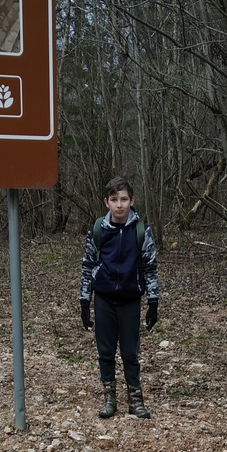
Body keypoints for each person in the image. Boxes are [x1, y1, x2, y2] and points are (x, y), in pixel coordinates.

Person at [79, 176, 159, 419]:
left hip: (130, 300)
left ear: (132, 200)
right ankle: (109, 398)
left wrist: (153, 302)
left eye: (124, 199)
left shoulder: (142, 232)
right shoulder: (98, 231)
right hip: (104, 299)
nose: (119, 204)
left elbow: (150, 268)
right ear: (107, 202)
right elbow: (87, 266)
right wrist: (84, 301)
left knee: (130, 353)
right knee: (105, 351)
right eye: (114, 199)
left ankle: (136, 399)